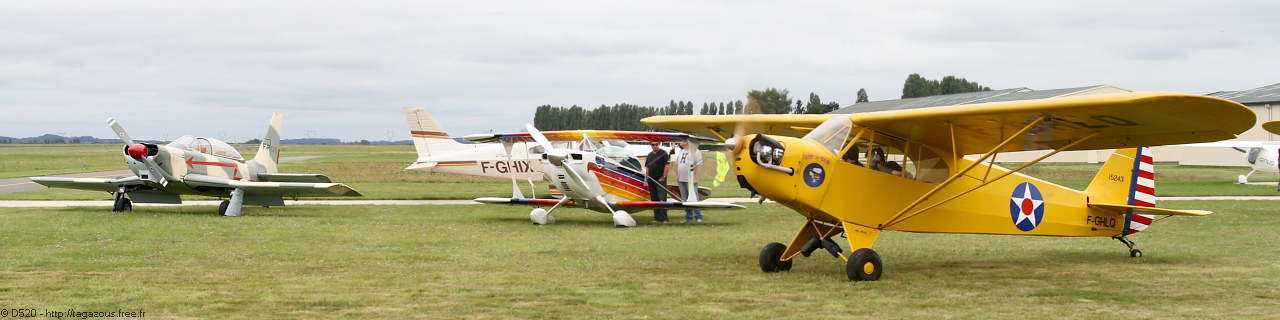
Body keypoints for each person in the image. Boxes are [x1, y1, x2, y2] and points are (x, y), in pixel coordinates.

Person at [674, 141, 703, 223]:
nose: (680, 142)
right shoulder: (681, 152)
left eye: (682, 140)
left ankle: (699, 216)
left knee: (694, 197)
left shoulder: (695, 152)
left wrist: (696, 178)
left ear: (687, 142)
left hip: (690, 179)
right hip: (681, 179)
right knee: (684, 198)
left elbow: (699, 165)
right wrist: (677, 175)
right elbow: (677, 165)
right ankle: (688, 217)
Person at [644, 142, 671, 223]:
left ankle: (664, 218)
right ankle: (657, 217)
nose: (655, 146)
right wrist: (647, 176)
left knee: (662, 198)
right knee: (654, 198)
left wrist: (664, 176)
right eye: (653, 145)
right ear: (651, 145)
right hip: (651, 179)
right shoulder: (650, 155)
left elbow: (667, 164)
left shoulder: (663, 153)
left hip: (660, 179)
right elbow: (648, 166)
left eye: (656, 144)